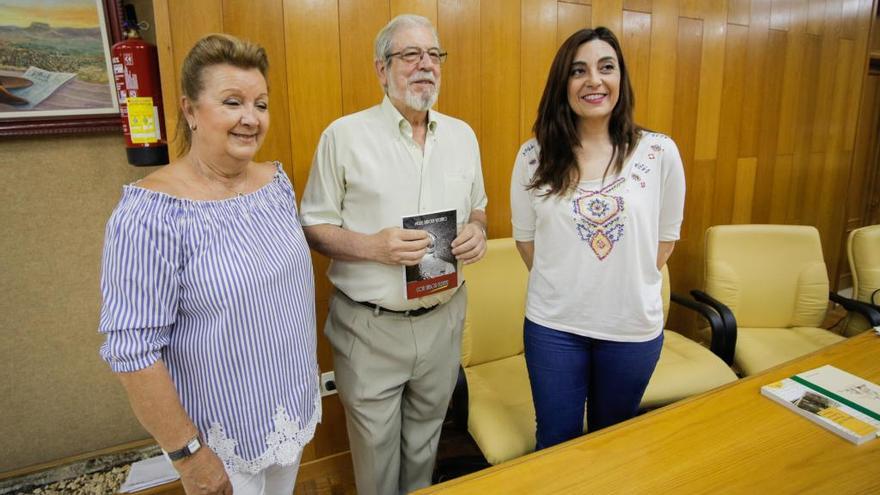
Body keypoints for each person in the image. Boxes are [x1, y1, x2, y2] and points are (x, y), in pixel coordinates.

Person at [98, 34, 319, 495]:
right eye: (232, 102)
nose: (250, 118)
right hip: (218, 441)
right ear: (191, 110)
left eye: (260, 104)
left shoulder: (275, 183)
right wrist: (188, 455)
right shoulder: (149, 215)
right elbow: (132, 350)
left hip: (287, 416)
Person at [299, 14, 487, 495]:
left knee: (426, 447)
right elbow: (313, 227)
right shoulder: (342, 136)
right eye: (410, 55)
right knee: (377, 460)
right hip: (371, 327)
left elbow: (480, 210)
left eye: (433, 55)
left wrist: (476, 233)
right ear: (382, 69)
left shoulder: (464, 137)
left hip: (443, 319)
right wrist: (371, 247)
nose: (425, 65)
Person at [510, 27, 686, 450]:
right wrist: (572, 281)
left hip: (630, 328)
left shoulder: (659, 152)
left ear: (620, 79)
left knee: (613, 443)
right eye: (578, 70)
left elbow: (664, 241)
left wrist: (620, 282)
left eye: (606, 68)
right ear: (562, 84)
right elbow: (526, 242)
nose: (594, 80)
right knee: (555, 442)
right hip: (554, 328)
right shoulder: (532, 156)